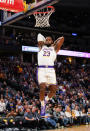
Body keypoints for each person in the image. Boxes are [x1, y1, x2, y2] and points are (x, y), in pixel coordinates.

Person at [37, 33, 64, 116]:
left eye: (49, 39)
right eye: (46, 39)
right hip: (41, 69)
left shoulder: (55, 48)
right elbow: (39, 35)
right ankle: (42, 105)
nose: (48, 40)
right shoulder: (41, 46)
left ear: (52, 41)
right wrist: (46, 41)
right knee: (42, 88)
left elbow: (62, 39)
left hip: (51, 70)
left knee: (54, 90)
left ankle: (46, 100)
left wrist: (54, 42)